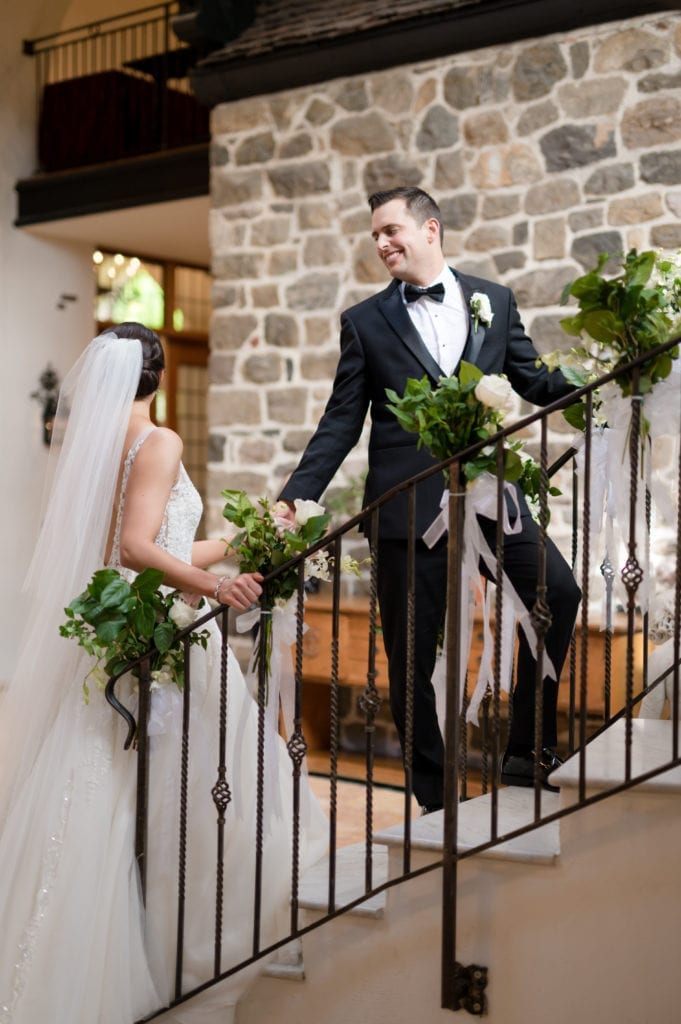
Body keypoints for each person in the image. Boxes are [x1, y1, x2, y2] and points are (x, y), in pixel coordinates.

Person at [0, 324, 327, 1024]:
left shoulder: (102, 448)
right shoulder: (159, 439)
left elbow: (155, 544)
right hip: (166, 631)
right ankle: (186, 940)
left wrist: (247, 537)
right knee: (199, 783)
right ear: (160, 376)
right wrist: (216, 591)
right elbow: (136, 546)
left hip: (123, 630)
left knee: (114, 788)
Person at [279, 186, 581, 810]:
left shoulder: (492, 301)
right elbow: (342, 421)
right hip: (406, 506)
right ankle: (435, 796)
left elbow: (531, 378)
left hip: (490, 492)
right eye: (375, 237)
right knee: (413, 656)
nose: (383, 243)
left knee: (557, 589)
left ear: (430, 228)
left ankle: (525, 750)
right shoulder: (364, 322)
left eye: (392, 230)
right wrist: (294, 500)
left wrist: (595, 389)